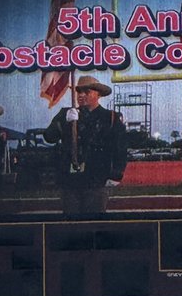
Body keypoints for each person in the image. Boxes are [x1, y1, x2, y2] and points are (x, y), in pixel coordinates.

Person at [40, 76, 128, 217]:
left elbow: (120, 148)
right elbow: (49, 137)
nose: (81, 95)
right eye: (78, 92)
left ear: (98, 94)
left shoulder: (110, 117)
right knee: (70, 221)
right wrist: (64, 122)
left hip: (97, 178)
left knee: (94, 221)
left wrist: (116, 174)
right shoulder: (65, 114)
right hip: (70, 180)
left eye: (86, 92)